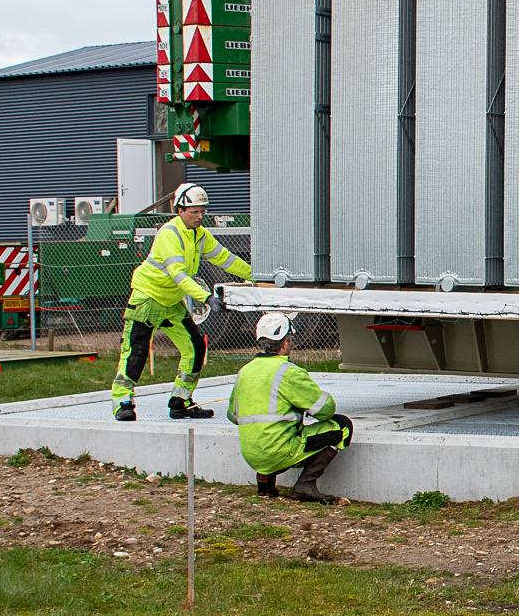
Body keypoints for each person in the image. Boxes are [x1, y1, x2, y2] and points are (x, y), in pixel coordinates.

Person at [111, 183, 251, 421]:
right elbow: (179, 276)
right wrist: (206, 297)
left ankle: (181, 402)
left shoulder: (199, 235)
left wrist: (256, 276)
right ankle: (122, 403)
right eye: (194, 211)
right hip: (147, 298)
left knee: (195, 348)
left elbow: (227, 260)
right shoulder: (169, 234)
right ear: (179, 210)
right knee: (137, 351)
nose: (200, 216)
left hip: (171, 302)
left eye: (202, 211)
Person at [229, 312, 353, 503]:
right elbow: (325, 410)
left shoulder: (244, 372)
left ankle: (265, 485)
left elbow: (233, 415)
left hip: (252, 455)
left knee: (271, 434)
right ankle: (305, 485)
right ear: (285, 342)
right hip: (279, 453)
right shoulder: (289, 372)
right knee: (342, 426)